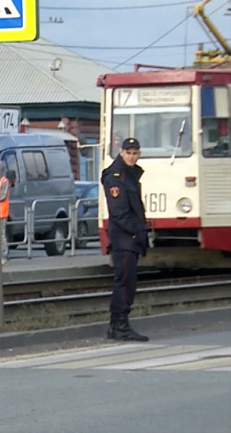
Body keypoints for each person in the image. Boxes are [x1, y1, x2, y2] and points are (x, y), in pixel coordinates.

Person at [101, 137, 149, 342]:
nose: (132, 156)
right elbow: (119, 213)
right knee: (124, 282)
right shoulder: (116, 177)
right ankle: (119, 325)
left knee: (128, 282)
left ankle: (118, 326)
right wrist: (137, 232)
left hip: (130, 238)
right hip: (125, 238)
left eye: (135, 153)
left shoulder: (129, 174)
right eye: (128, 153)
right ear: (121, 153)